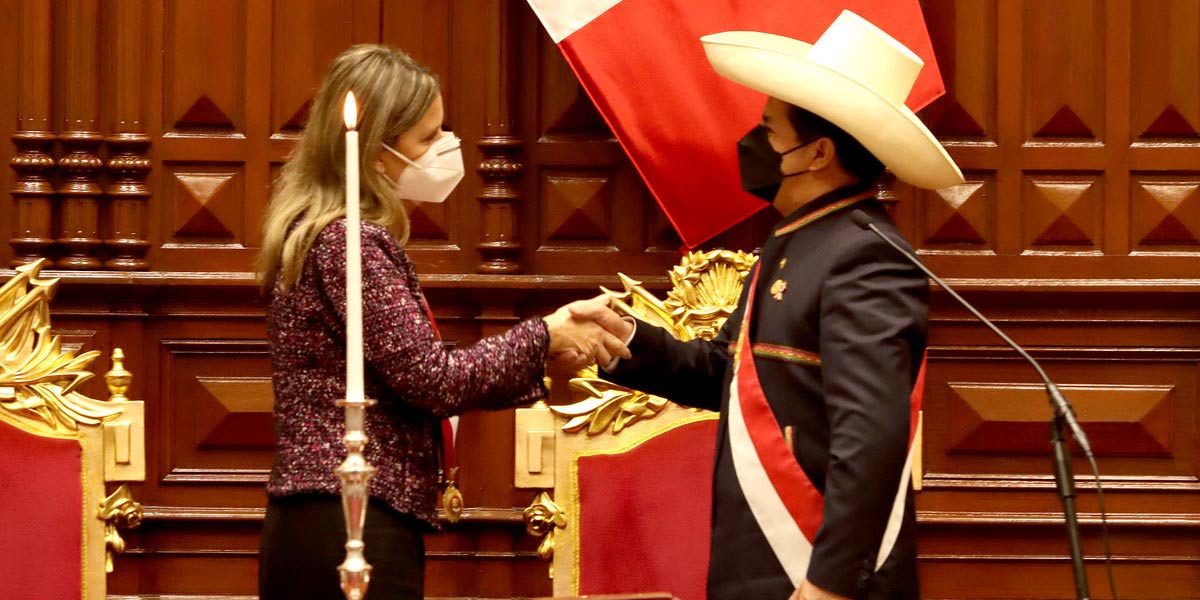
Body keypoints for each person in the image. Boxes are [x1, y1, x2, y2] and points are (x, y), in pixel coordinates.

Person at [576, 12, 964, 600]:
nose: (750, 143)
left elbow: (872, 434)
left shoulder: (865, 256)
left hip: (816, 574)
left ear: (817, 154)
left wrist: (830, 582)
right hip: (758, 565)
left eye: (768, 130)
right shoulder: (798, 240)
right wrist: (624, 339)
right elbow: (728, 375)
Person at [255, 44, 627, 599]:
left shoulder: (320, 231)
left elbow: (404, 368)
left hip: (327, 514)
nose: (444, 149)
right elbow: (432, 378)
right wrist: (547, 332)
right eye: (427, 138)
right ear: (376, 152)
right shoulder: (348, 241)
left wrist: (545, 348)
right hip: (351, 519)